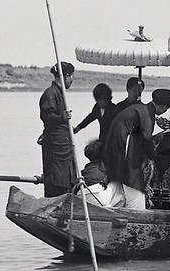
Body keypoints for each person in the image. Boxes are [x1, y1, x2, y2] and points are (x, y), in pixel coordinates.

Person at [102, 87, 170, 210]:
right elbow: (147, 140)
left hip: (115, 150)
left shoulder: (140, 108)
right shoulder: (147, 114)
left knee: (121, 190)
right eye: (168, 107)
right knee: (135, 191)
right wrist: (155, 156)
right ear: (163, 106)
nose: (166, 110)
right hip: (124, 151)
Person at [39, 62, 76, 197]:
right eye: (72, 76)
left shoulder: (60, 94)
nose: (72, 80)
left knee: (67, 179)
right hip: (56, 148)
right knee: (57, 181)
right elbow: (47, 117)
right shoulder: (51, 94)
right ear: (66, 76)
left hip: (63, 145)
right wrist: (62, 117)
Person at [79, 138, 122, 207]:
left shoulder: (88, 167)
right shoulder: (103, 164)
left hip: (81, 195)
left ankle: (107, 206)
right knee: (119, 186)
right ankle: (112, 210)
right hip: (94, 194)